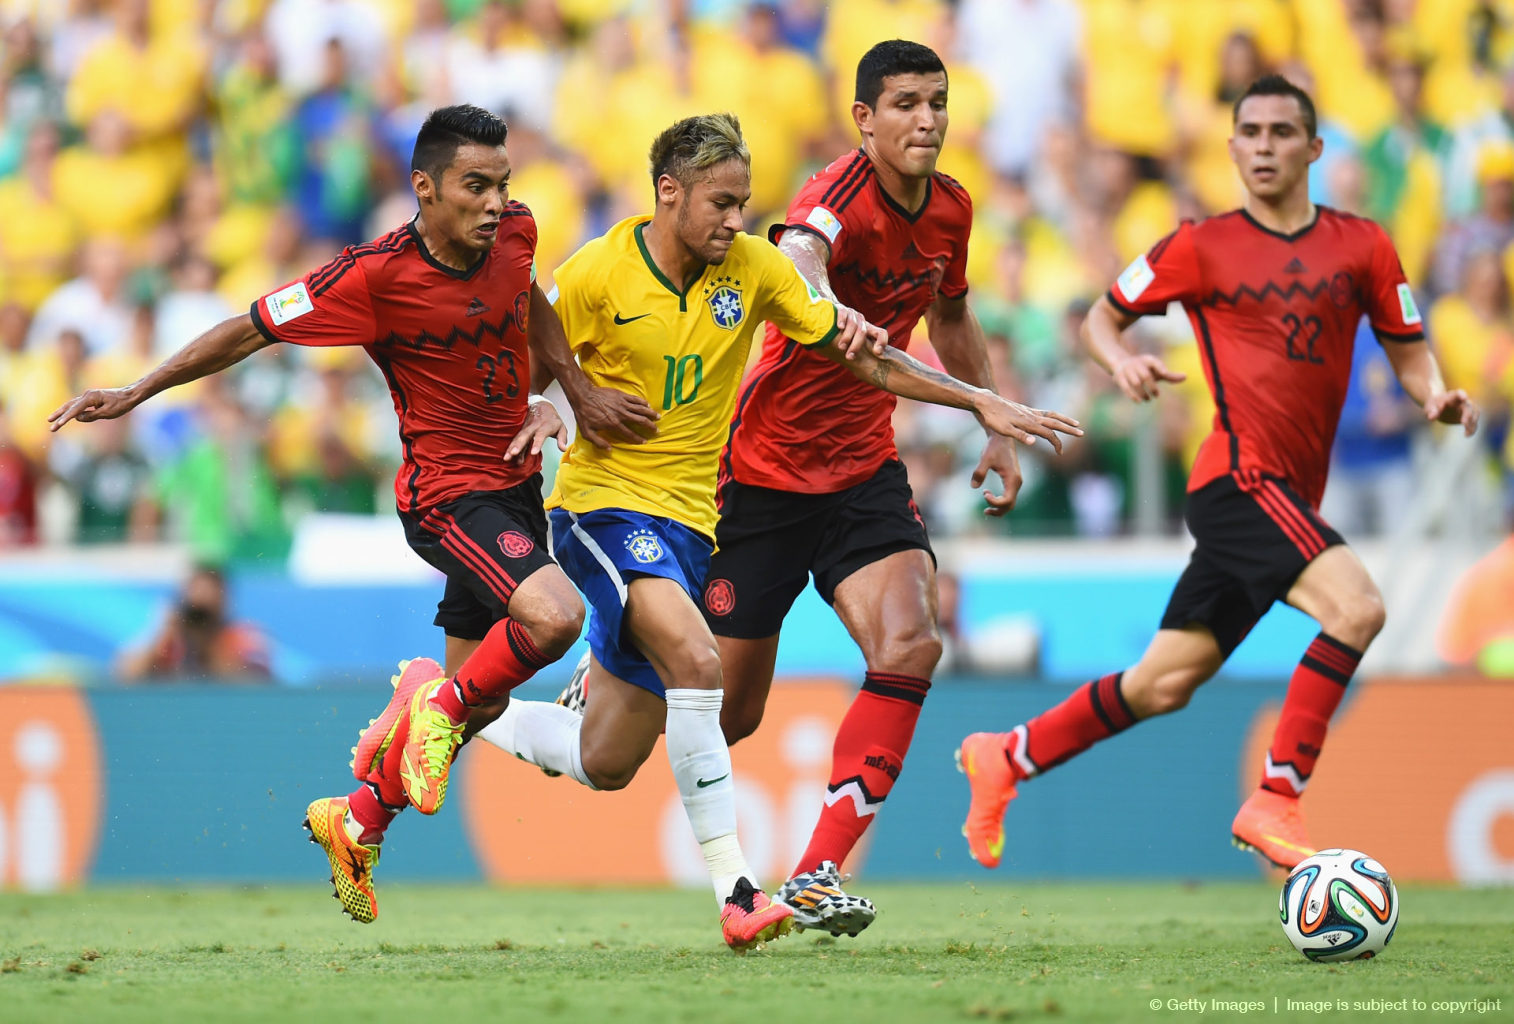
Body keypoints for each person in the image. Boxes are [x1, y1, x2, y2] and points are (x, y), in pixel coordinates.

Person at [467, 111, 1068, 949]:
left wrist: (978, 403)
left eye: (744, 203)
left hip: (695, 517)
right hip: (614, 503)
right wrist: (546, 397)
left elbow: (862, 354)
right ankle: (740, 894)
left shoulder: (747, 268)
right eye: (721, 203)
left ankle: (459, 705)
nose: (737, 220)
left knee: (625, 755)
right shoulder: (601, 268)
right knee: (699, 664)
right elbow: (530, 337)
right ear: (668, 192)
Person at [48, 105, 646, 926]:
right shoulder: (371, 277)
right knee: (556, 616)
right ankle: (426, 706)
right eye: (475, 186)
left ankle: (358, 818)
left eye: (503, 185)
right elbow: (247, 330)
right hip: (444, 495)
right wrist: (138, 390)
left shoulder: (516, 232)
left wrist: (570, 391)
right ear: (425, 188)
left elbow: (530, 301)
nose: (494, 203)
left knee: (487, 700)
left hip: (512, 488)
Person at [957, 74, 1480, 872]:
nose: (1264, 146)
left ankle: (1008, 754)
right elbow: (1103, 316)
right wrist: (1120, 359)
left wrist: (1433, 394)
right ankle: (1279, 792)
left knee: (1164, 683)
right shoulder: (1201, 244)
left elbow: (1409, 347)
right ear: (1232, 147)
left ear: (1314, 147)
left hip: (1289, 499)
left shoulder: (1365, 245)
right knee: (1359, 608)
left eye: (1281, 132)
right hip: (1238, 481)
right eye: (1251, 133)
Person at [688, 39, 1080, 937]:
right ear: (864, 119)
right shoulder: (836, 196)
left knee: (912, 642)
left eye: (936, 101)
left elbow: (950, 314)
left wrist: (993, 422)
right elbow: (799, 256)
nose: (928, 119)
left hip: (862, 470)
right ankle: (607, 681)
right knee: (731, 712)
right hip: (764, 474)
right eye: (905, 103)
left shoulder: (951, 209)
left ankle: (818, 869)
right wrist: (827, 297)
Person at [116, 564, 270, 681]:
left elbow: (255, 685)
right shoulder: (171, 637)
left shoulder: (241, 637)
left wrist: (210, 644)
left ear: (224, 601)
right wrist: (164, 635)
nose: (200, 617)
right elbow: (125, 675)